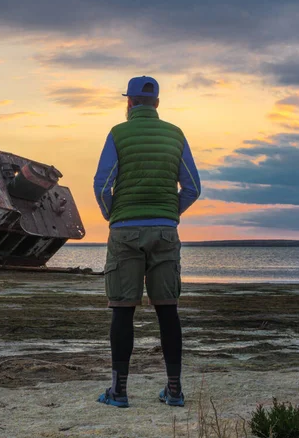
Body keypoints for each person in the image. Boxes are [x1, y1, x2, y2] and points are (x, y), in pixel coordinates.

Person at [93, 76, 201, 408]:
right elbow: (193, 188)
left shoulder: (118, 133)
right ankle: (173, 390)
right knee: (168, 311)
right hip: (165, 231)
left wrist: (115, 216)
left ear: (129, 103)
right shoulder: (176, 135)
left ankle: (119, 392)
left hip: (125, 230)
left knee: (122, 311)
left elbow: (102, 185)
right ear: (156, 103)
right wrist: (170, 213)